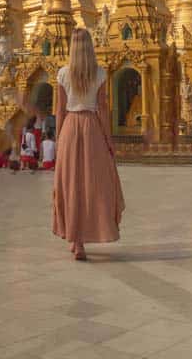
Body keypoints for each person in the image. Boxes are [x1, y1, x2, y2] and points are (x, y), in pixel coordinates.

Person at [53, 28, 125, 260]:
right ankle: (91, 231)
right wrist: (109, 138)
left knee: (71, 183)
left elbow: (59, 110)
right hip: (93, 127)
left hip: (70, 129)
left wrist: (58, 139)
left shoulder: (63, 73)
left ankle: (76, 241)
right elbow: (103, 108)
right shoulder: (99, 73)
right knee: (94, 184)